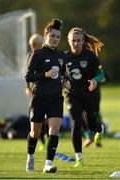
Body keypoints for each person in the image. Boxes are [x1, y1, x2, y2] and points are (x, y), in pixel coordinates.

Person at [25, 19, 66, 173]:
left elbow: (64, 77)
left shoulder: (62, 56)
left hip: (56, 98)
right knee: (35, 133)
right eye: (52, 36)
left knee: (54, 130)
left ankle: (48, 163)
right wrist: (45, 74)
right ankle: (31, 156)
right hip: (39, 97)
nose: (55, 39)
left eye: (57, 36)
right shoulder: (37, 54)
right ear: (46, 36)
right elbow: (28, 77)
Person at [64, 27, 105, 167]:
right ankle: (79, 158)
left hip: (89, 94)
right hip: (72, 95)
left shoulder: (90, 56)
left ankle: (99, 130)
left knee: (91, 123)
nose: (75, 43)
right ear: (69, 41)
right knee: (75, 122)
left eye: (78, 40)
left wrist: (95, 80)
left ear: (83, 41)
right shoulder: (64, 57)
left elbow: (101, 74)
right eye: (73, 41)